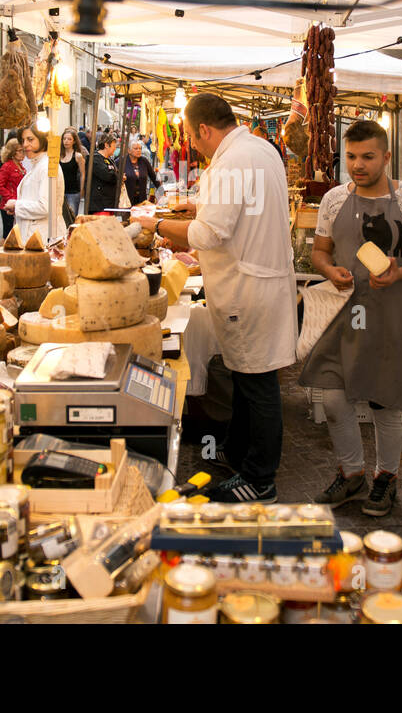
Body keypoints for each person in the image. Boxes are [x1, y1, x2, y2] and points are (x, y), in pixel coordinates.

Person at [136, 93, 296, 503]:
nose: (194, 144)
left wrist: (157, 226)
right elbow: (243, 209)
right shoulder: (261, 149)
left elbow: (209, 234)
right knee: (246, 376)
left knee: (258, 381)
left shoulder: (229, 162)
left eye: (192, 136)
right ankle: (236, 448)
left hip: (248, 288)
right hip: (264, 281)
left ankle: (260, 480)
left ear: (204, 129)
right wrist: (198, 205)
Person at [302, 119, 402, 516]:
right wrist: (330, 271)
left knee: (385, 402)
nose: (358, 165)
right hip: (344, 311)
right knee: (332, 397)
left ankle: (386, 478)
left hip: (392, 315)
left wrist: (400, 271)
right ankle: (352, 474)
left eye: (367, 157)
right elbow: (320, 252)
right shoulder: (333, 200)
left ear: (386, 156)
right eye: (351, 156)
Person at [13, 125, 59, 242]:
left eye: (30, 139)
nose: (25, 144)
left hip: (41, 237)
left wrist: (16, 205)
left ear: (42, 139)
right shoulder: (37, 165)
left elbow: (45, 207)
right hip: (32, 235)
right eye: (23, 140)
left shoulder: (47, 166)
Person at [0, 137, 25, 237]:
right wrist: (11, 197)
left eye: (23, 150)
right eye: (20, 151)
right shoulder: (7, 166)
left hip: (19, 204)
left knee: (16, 235)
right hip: (8, 206)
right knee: (8, 235)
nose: (23, 153)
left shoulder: (20, 166)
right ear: (12, 152)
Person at [86, 132, 120, 214]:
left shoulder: (110, 159)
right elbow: (108, 175)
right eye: (114, 145)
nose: (115, 148)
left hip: (109, 203)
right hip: (99, 205)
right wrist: (118, 176)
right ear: (106, 145)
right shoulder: (95, 158)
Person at [59, 127, 86, 217]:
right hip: (59, 191)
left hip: (73, 192)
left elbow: (83, 174)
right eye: (64, 139)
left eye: (69, 139)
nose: (66, 141)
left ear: (74, 141)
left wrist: (82, 190)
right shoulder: (58, 155)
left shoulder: (78, 156)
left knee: (71, 217)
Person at [122, 139, 157, 206]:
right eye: (136, 148)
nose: (139, 150)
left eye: (140, 148)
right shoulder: (121, 162)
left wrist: (161, 190)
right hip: (127, 200)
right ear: (129, 150)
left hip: (142, 200)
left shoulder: (144, 161)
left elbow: (154, 177)